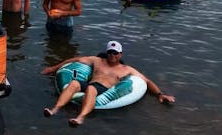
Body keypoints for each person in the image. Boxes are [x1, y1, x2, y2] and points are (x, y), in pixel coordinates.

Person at [41, 40, 175, 127]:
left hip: (102, 89)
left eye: (115, 53)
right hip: (90, 83)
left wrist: (160, 94)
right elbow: (75, 60)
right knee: (75, 83)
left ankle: (80, 117)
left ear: (120, 54)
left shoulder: (126, 69)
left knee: (92, 89)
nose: (112, 55)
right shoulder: (97, 61)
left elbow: (146, 81)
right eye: (110, 52)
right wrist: (53, 68)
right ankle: (55, 109)